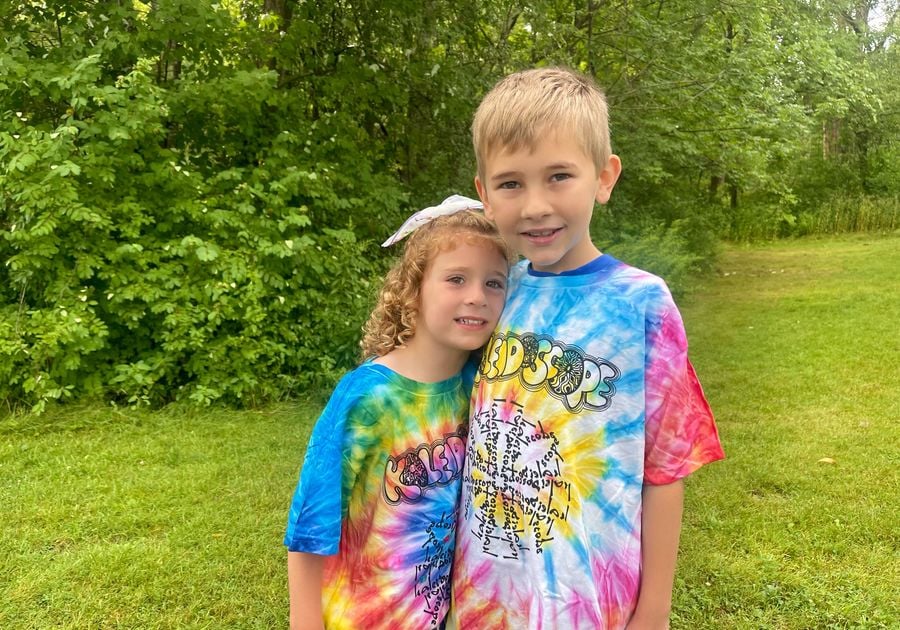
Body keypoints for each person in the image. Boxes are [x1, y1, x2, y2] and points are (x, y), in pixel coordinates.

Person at [449, 67, 725, 629]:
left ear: (604, 177)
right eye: (510, 183)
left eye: (558, 176)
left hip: (588, 599)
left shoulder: (641, 303)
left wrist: (655, 610)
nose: (534, 206)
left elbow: (665, 468)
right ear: (484, 193)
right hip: (486, 594)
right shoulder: (496, 290)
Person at [284, 208, 513, 630]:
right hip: (356, 617)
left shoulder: (481, 388)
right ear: (413, 290)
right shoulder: (368, 397)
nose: (478, 295)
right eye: (457, 278)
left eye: (494, 282)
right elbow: (309, 531)